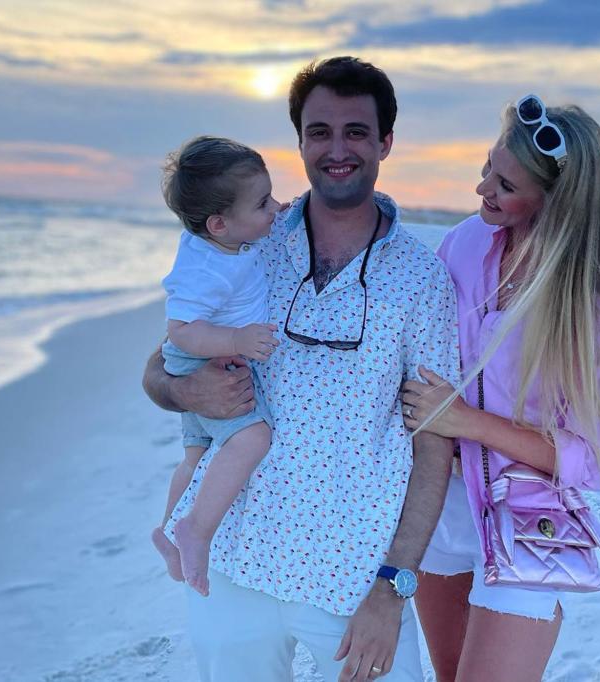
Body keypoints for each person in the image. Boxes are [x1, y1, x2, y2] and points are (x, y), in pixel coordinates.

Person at [142, 56, 460, 682]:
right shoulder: (248, 238)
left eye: (356, 132)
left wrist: (393, 586)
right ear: (300, 142)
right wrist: (183, 388)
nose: (336, 149)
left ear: (385, 143)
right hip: (235, 558)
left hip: (351, 573)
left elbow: (434, 443)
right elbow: (163, 361)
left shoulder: (422, 278)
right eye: (320, 132)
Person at [401, 95, 600, 681]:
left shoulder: (594, 308)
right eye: (488, 167)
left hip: (527, 523)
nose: (482, 189)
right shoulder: (465, 242)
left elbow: (598, 460)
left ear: (553, 198)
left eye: (504, 183)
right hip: (436, 506)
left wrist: (467, 421)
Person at [149, 136, 282, 596]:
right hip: (200, 355)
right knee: (253, 436)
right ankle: (197, 531)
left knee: (197, 453)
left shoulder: (219, 243)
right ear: (220, 223)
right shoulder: (208, 269)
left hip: (199, 354)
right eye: (264, 203)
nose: (276, 208)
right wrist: (236, 339)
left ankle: (168, 532)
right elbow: (181, 329)